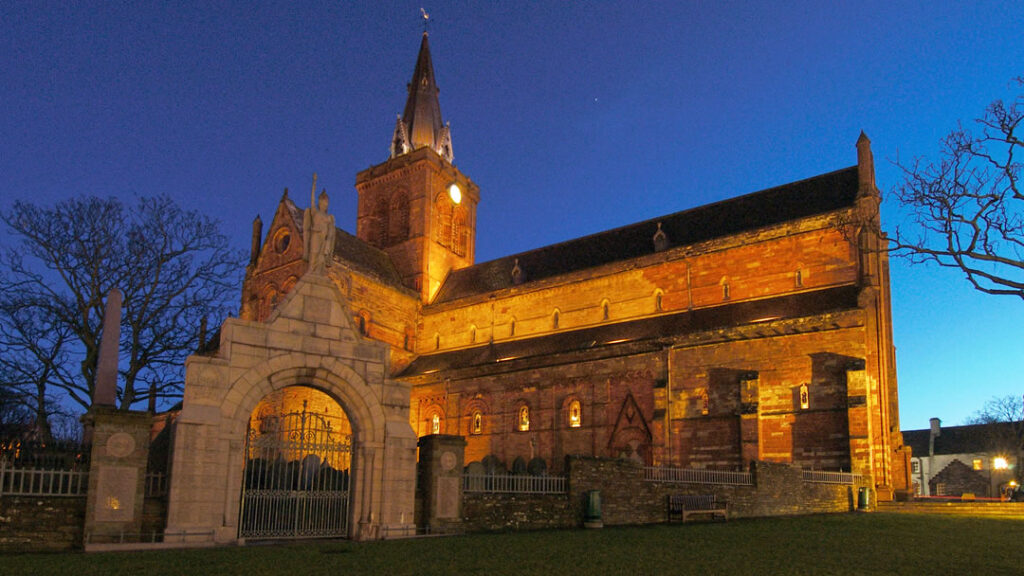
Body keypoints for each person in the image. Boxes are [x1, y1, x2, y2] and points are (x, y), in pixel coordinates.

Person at [304, 189, 335, 272]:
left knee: (321, 258)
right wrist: (314, 185)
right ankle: (311, 270)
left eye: (326, 203)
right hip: (316, 235)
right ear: (320, 202)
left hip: (323, 238)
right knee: (313, 253)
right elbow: (312, 200)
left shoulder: (328, 217)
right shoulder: (315, 212)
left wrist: (328, 242)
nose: (325, 205)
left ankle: (318, 271)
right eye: (323, 202)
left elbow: (331, 231)